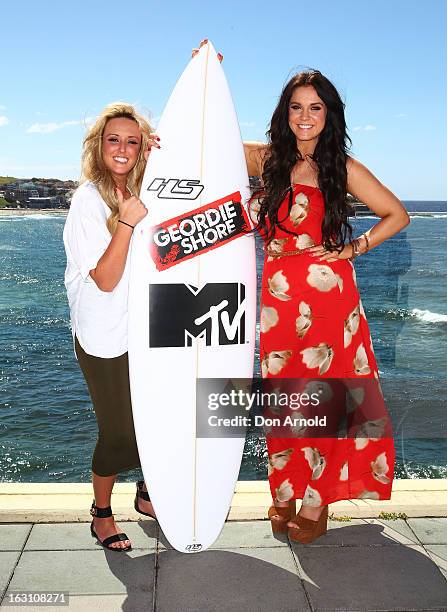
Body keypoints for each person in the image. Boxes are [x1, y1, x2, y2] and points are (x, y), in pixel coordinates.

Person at [244, 70, 410, 543]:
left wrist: (353, 249)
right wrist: (203, 77)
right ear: (284, 112)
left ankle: (316, 500)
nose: (305, 117)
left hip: (329, 301)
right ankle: (284, 492)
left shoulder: (343, 166)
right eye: (296, 107)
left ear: (330, 114)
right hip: (278, 303)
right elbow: (201, 139)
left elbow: (396, 214)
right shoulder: (267, 158)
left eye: (315, 107)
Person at [63, 103, 160, 551]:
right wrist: (125, 222)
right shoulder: (87, 200)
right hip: (102, 334)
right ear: (98, 145)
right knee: (118, 431)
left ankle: (144, 493)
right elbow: (104, 279)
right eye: (113, 139)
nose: (121, 148)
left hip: (142, 328)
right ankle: (101, 514)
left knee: (151, 418)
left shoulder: (142, 189)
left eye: (132, 140)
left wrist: (202, 79)